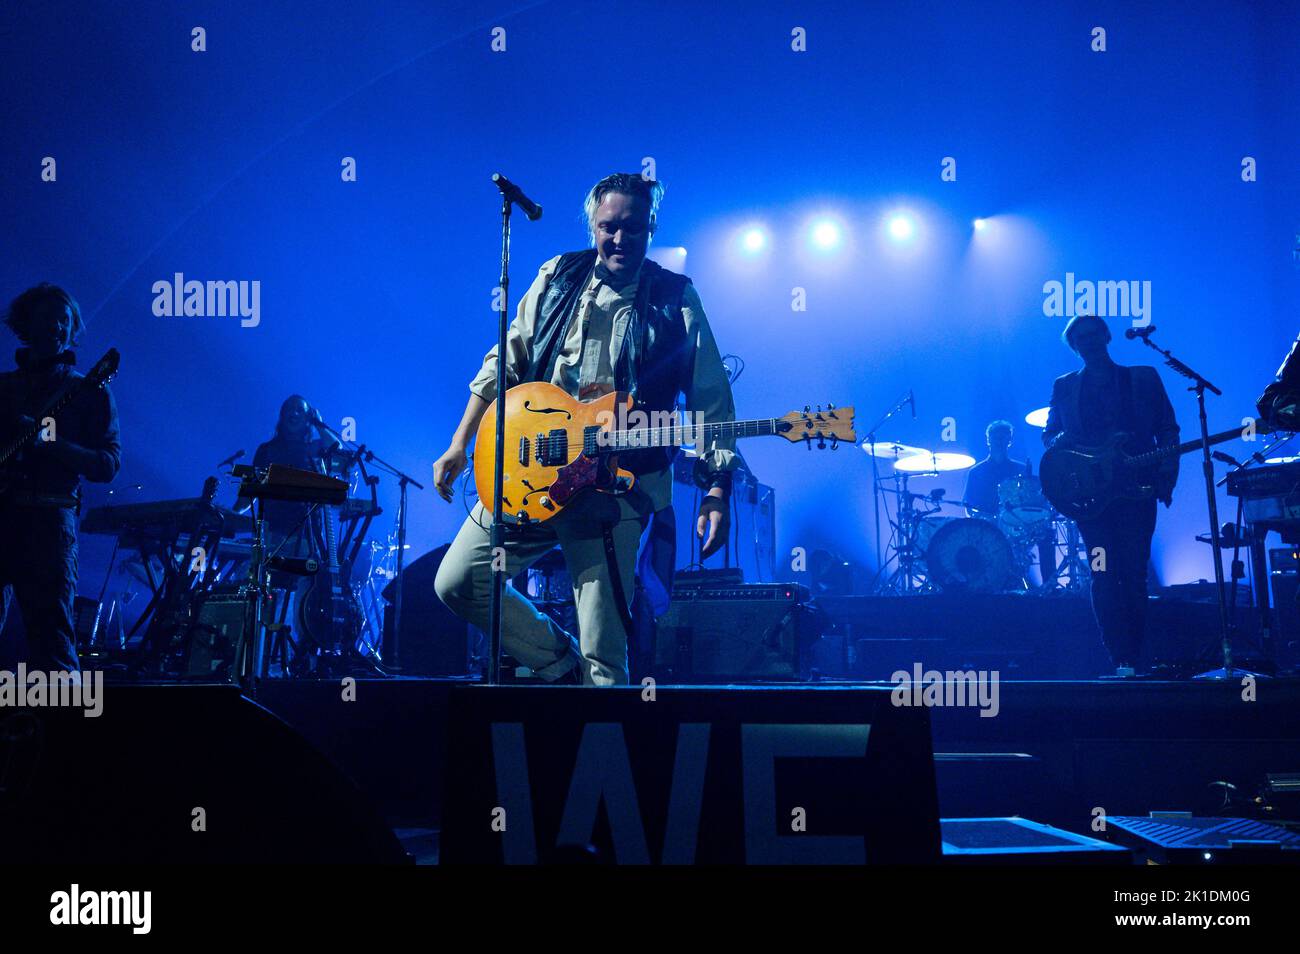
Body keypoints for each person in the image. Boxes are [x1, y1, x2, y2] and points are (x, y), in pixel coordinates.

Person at [433, 173, 739, 686]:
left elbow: (713, 402)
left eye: (634, 229)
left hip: (613, 488)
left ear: (652, 227)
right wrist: (459, 443)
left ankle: (602, 750)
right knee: (460, 582)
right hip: (528, 473)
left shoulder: (676, 298)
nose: (620, 240)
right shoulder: (557, 276)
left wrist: (715, 490)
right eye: (609, 227)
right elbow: (503, 362)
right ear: (592, 225)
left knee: (606, 655)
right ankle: (558, 663)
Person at [1043, 315, 1179, 676]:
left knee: (1134, 573)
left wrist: (1167, 474)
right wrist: (1061, 447)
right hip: (1091, 503)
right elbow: (1050, 435)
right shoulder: (1064, 386)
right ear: (1074, 347)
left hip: (1136, 492)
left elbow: (1168, 427)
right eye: (1079, 339)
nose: (1088, 342)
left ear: (1106, 336)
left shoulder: (1143, 377)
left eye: (1092, 335)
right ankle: (1119, 659)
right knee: (1102, 573)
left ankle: (1135, 657)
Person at [0, 283, 121, 673]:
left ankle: (62, 731)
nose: (56, 326)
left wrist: (47, 441)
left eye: (64, 320)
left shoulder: (87, 391)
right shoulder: (3, 389)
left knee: (52, 644)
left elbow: (107, 463)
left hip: (49, 527)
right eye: (47, 317)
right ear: (25, 323)